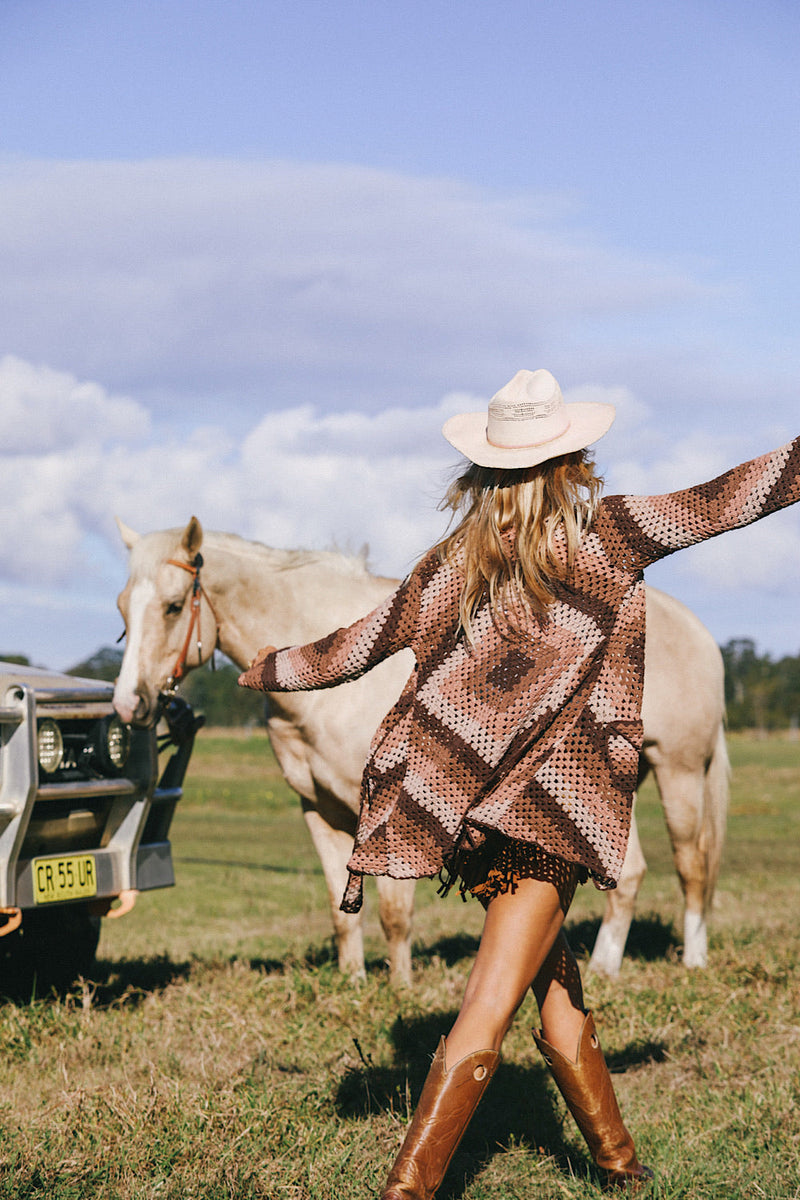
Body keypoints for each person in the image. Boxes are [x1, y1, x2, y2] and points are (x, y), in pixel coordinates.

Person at [239, 368, 800, 1197]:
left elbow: (360, 642)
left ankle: (620, 1166)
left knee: (556, 997)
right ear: (573, 461)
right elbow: (730, 498)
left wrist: (273, 667)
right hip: (553, 821)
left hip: (473, 815)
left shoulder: (451, 564)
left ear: (485, 472)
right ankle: (410, 1188)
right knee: (486, 1013)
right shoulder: (609, 536)